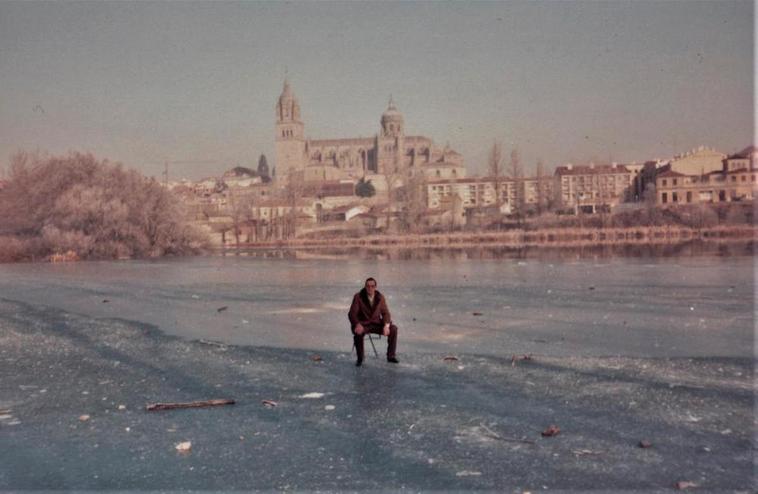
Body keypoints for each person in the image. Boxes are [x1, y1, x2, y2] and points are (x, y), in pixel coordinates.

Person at [348, 277, 399, 367]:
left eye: (372, 286)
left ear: (375, 287)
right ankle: (360, 358)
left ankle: (391, 356)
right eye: (368, 286)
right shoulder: (358, 296)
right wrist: (357, 324)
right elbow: (352, 314)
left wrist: (386, 325)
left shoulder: (380, 297)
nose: (370, 288)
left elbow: (385, 313)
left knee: (393, 329)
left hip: (376, 324)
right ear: (365, 287)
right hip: (363, 324)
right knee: (358, 334)